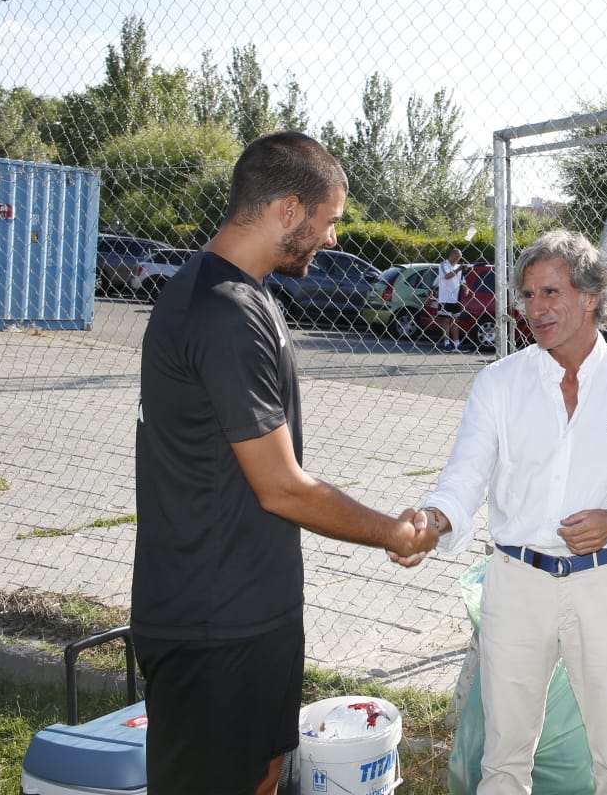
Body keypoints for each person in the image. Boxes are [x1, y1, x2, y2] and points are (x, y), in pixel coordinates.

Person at [131, 131, 432, 795]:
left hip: (249, 612)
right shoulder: (222, 313)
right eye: (328, 222)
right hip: (213, 625)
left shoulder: (242, 294)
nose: (330, 239)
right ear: (289, 211)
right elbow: (283, 487)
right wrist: (393, 532)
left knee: (265, 772)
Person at [399, 229, 607, 795]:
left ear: (590, 296)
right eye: (528, 295)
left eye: (551, 293)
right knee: (504, 759)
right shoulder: (498, 383)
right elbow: (463, 477)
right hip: (516, 584)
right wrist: (431, 522)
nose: (536, 309)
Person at [436, 246, 470, 352]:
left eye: (459, 258)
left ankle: (456, 343)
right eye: (456, 257)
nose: (457, 260)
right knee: (446, 320)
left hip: (456, 298)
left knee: (455, 321)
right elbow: (447, 276)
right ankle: (446, 343)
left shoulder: (458, 267)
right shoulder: (443, 265)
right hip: (444, 298)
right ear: (451, 255)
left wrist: (465, 287)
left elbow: (461, 280)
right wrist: (459, 268)